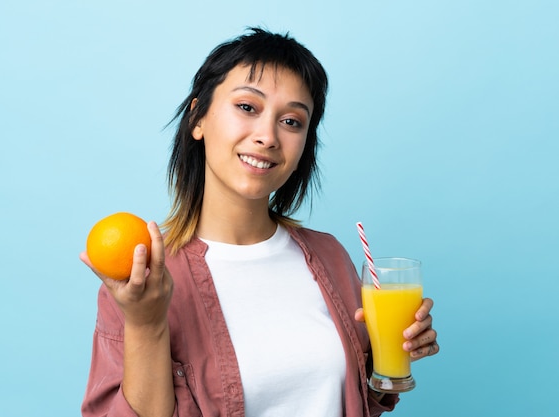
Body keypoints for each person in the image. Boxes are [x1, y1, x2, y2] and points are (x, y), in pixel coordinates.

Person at [80, 27, 439, 417]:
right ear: (197, 118)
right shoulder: (143, 280)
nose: (268, 136)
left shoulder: (330, 257)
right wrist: (147, 324)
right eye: (247, 108)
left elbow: (355, 402)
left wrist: (390, 359)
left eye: (291, 121)